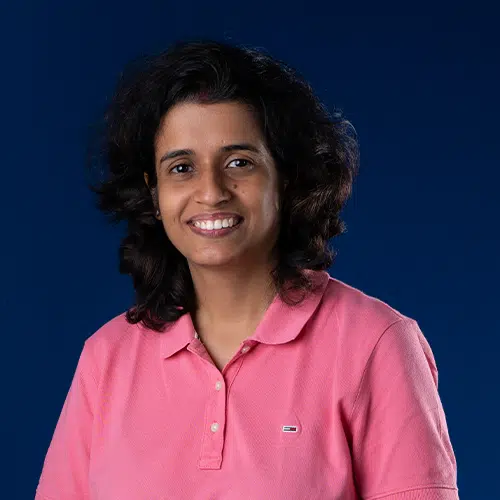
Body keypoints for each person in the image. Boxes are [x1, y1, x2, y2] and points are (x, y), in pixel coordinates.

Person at [36, 40, 459, 499]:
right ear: (153, 193)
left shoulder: (375, 343)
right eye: (181, 167)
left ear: (287, 178)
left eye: (239, 163)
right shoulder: (106, 358)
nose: (211, 191)